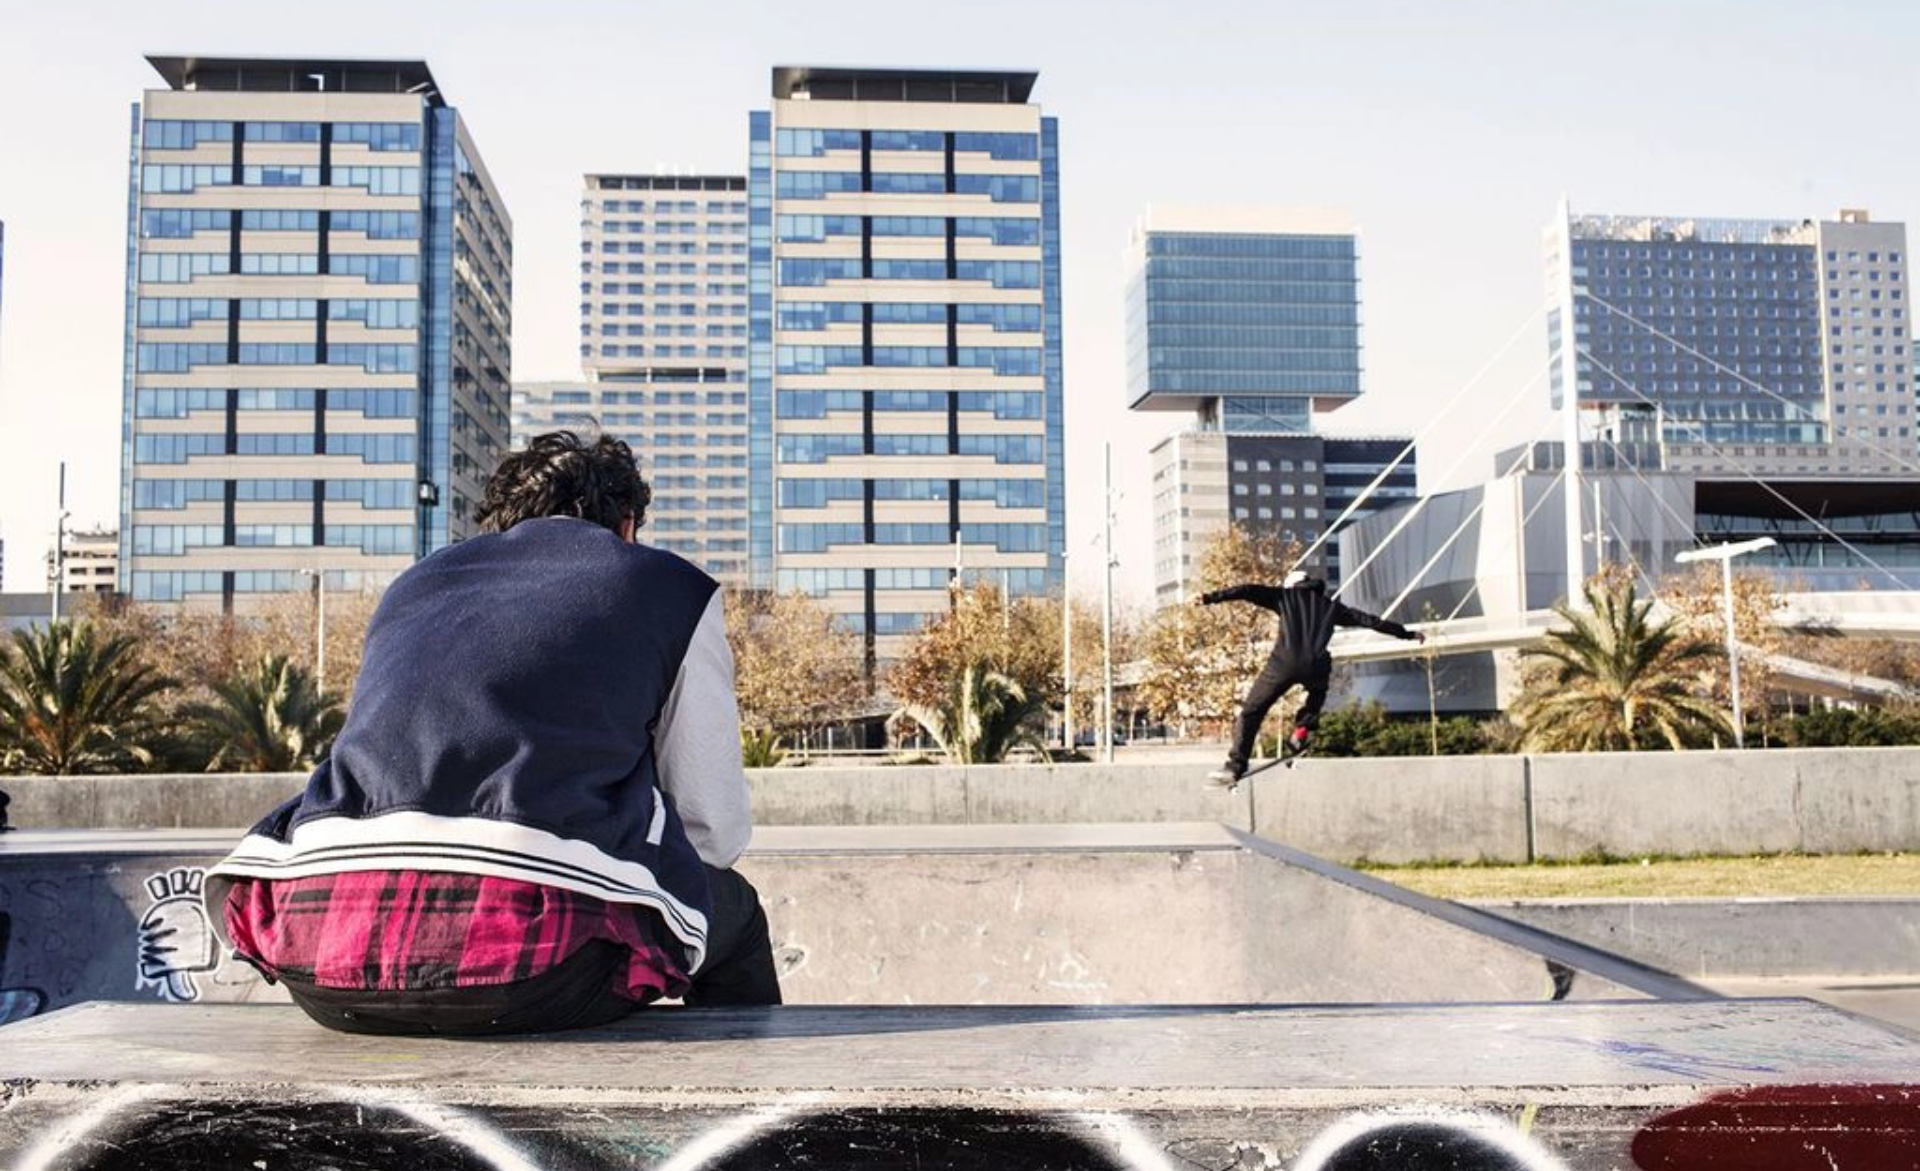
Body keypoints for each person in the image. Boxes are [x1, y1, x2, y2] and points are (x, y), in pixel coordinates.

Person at [202, 430, 779, 1034]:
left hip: (318, 951)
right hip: (529, 965)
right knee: (734, 913)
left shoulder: (414, 585)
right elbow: (712, 829)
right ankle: (752, 1113)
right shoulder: (671, 588)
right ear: (628, 524)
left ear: (497, 524)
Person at [1200, 569, 1424, 784]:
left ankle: (1235, 766)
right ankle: (1301, 730)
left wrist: (1210, 598)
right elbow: (1371, 621)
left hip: (1282, 665)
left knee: (1252, 711)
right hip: (1316, 666)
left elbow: (1247, 590)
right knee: (1317, 693)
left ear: (1290, 586)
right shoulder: (1331, 607)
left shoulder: (1283, 596)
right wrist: (1406, 634)